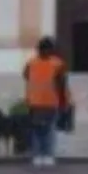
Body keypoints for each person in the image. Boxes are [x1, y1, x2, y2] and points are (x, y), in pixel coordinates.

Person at [21, 36, 69, 167]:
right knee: (48, 130)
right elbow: (62, 85)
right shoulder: (58, 64)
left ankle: (38, 155)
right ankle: (47, 155)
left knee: (37, 130)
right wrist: (64, 103)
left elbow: (25, 76)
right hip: (50, 102)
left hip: (35, 102)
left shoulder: (31, 63)